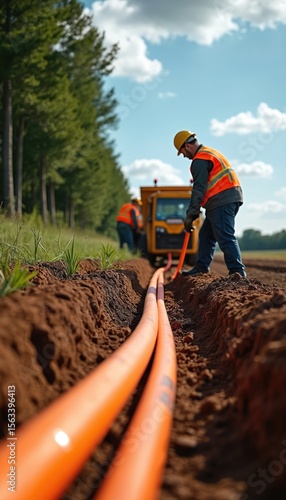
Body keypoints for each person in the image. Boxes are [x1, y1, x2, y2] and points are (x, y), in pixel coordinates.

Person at [173, 130, 246, 277]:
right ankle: (201, 267)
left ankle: (237, 272)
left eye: (182, 153)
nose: (185, 157)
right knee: (206, 234)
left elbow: (198, 188)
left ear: (186, 146)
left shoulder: (199, 160)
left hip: (221, 199)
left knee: (225, 235)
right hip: (229, 196)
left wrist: (191, 213)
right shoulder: (210, 152)